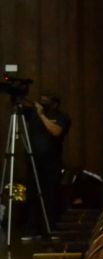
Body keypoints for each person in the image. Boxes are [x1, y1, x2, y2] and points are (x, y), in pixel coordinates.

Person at [23, 92, 70, 232]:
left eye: (47, 102)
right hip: (33, 162)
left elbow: (56, 132)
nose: (43, 104)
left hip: (52, 164)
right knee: (32, 195)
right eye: (41, 101)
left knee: (50, 196)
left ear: (55, 104)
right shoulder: (33, 113)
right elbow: (19, 105)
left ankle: (49, 229)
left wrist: (42, 115)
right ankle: (32, 228)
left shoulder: (62, 117)